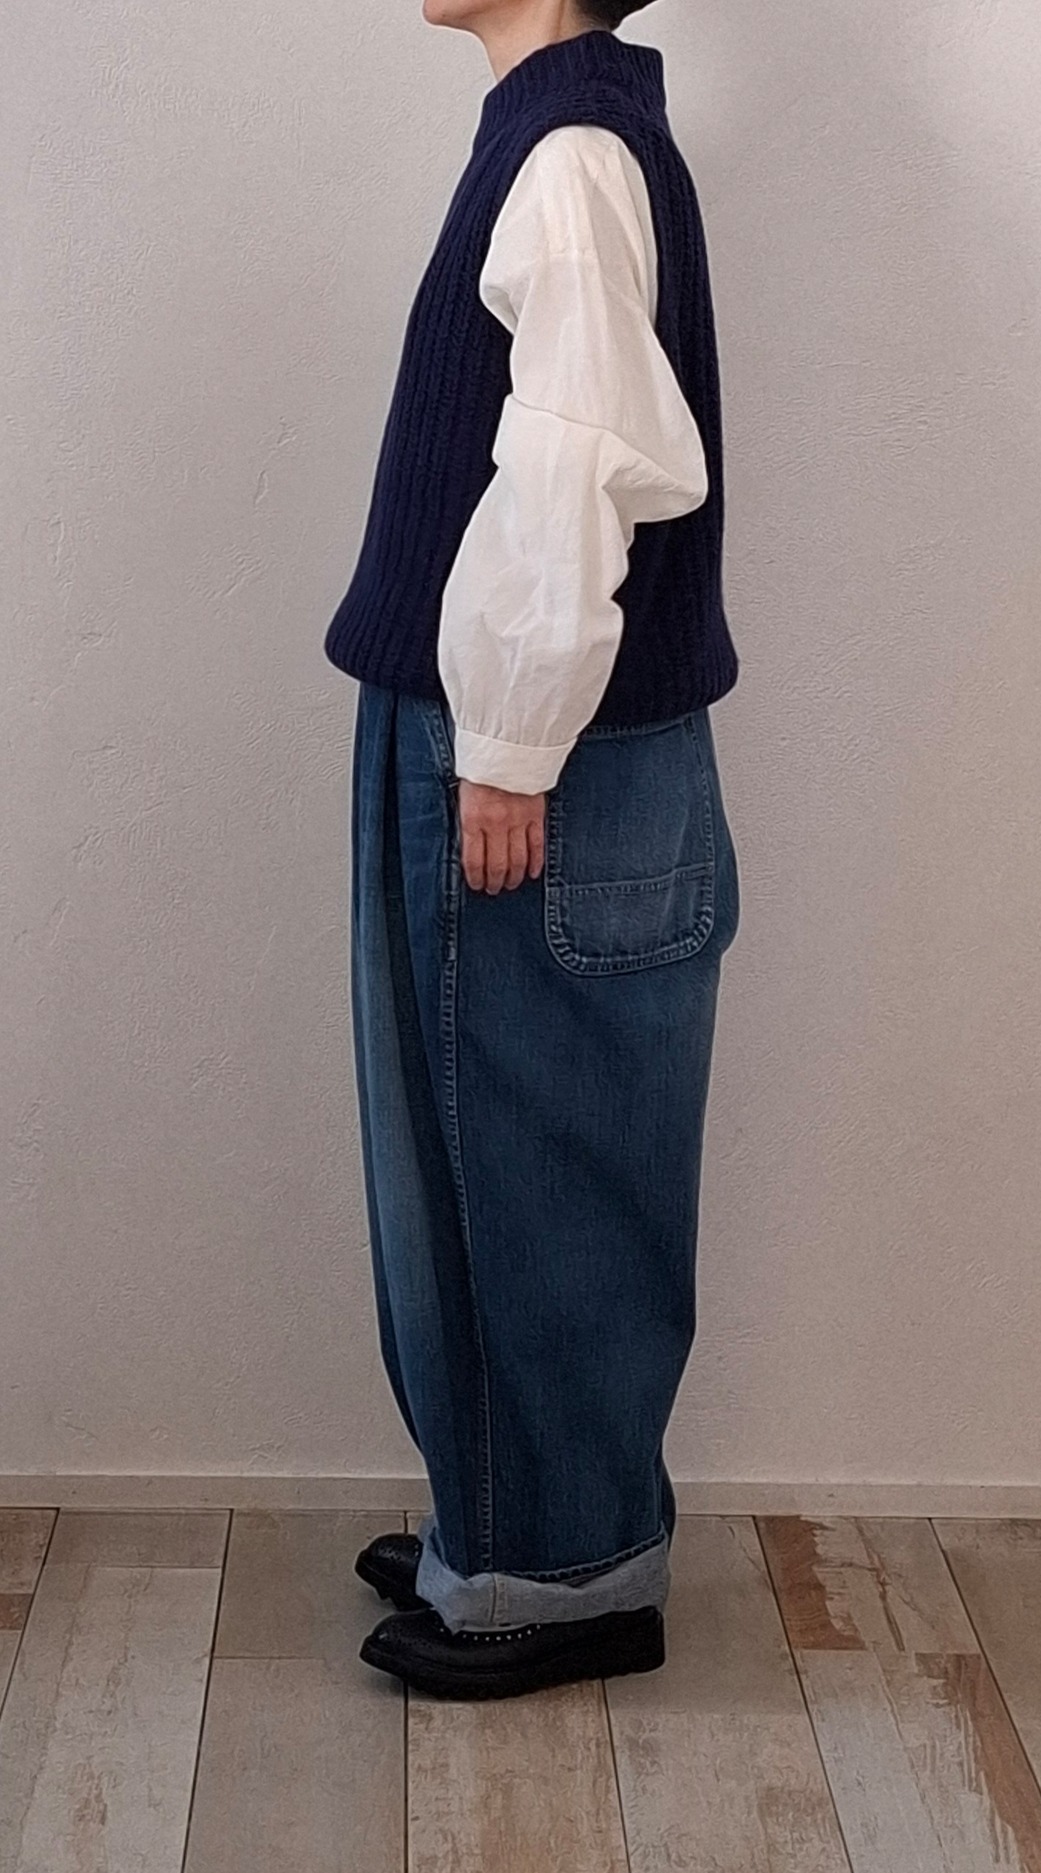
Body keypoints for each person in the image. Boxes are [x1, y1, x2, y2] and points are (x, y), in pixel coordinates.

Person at [323, 0, 741, 1701]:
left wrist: (506, 740)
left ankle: (562, 1569)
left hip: (531, 753)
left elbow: (576, 463)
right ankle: (500, 1520)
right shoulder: (557, 132)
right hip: (506, 731)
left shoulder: (570, 147)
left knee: (533, 1159)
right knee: (472, 1149)